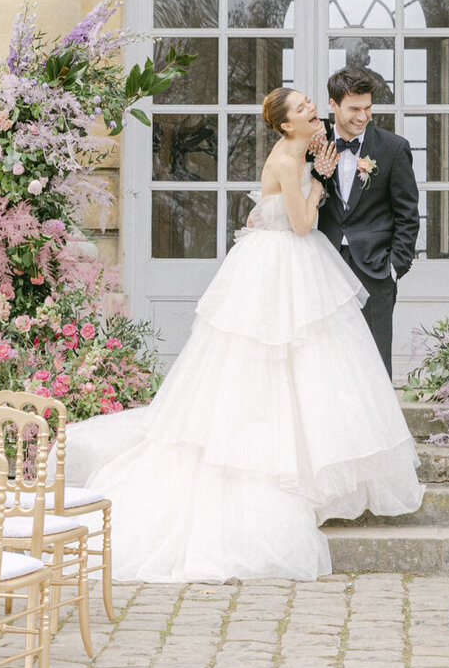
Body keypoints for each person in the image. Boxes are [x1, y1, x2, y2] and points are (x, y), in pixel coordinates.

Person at [63, 87, 423, 582]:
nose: (312, 110)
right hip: (282, 264)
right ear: (284, 125)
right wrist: (318, 181)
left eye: (310, 104)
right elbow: (302, 224)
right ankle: (280, 470)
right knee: (270, 360)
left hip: (290, 262)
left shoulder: (301, 147)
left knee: (311, 365)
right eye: (302, 109)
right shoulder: (285, 157)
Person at [312, 67, 421, 380]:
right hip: (325, 264)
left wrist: (395, 265)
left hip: (375, 267)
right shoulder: (314, 145)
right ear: (333, 105)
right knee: (326, 354)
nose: (363, 117)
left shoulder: (393, 148)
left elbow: (408, 213)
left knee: (374, 358)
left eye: (368, 108)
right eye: (354, 109)